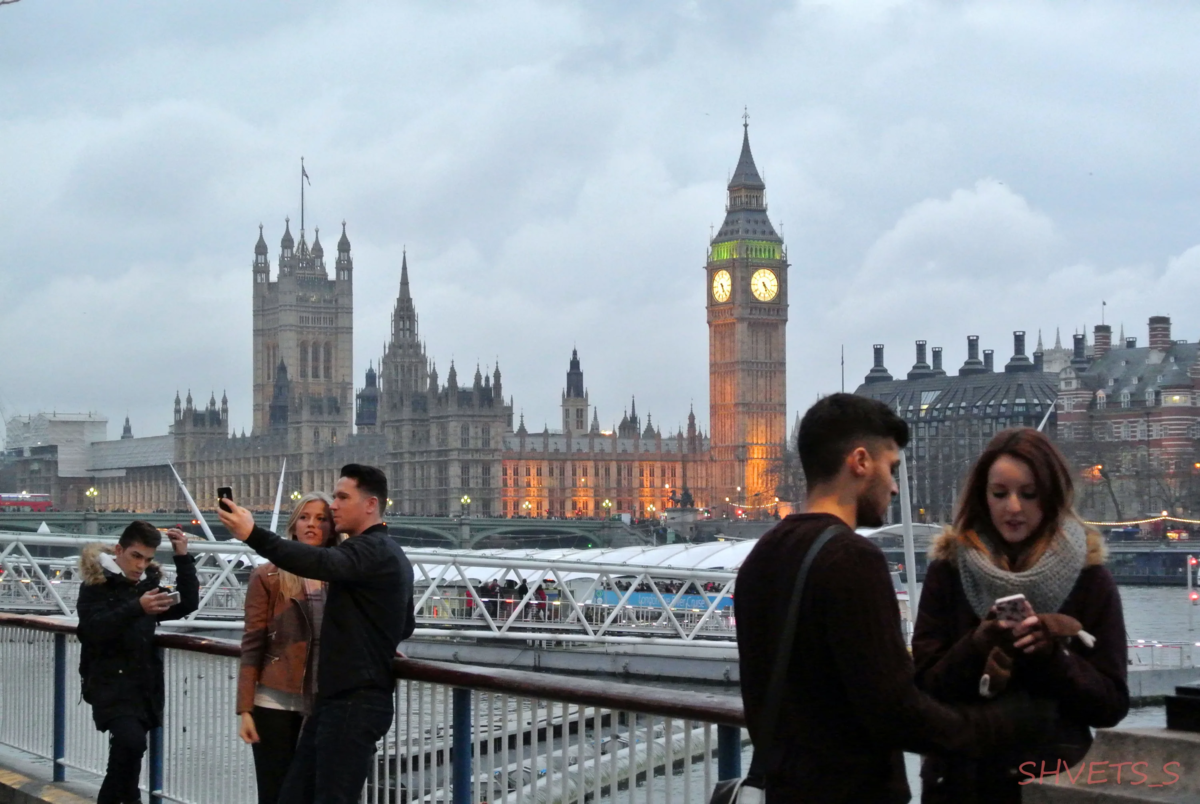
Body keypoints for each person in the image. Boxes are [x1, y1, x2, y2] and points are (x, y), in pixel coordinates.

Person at [735, 393, 1053, 804]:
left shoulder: (762, 556)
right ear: (860, 462)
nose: (894, 486)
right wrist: (999, 724)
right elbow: (894, 709)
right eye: (892, 468)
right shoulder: (851, 558)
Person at [913, 428, 1128, 803]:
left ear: (1052, 496)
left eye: (1029, 494)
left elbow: (1111, 704)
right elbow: (924, 688)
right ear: (982, 496)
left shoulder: (1089, 577)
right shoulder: (948, 570)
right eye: (1000, 494)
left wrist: (1051, 658)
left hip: (1052, 785)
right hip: (963, 784)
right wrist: (978, 645)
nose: (1013, 507)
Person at [218, 464, 414, 804]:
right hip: (334, 701)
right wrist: (374, 639)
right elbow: (406, 623)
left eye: (341, 497)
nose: (334, 505)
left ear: (370, 504)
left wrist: (253, 534)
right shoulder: (387, 554)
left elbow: (319, 564)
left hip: (354, 703)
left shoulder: (371, 551)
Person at [77, 521, 198, 804]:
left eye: (147, 559)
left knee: (126, 759)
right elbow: (92, 630)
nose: (141, 565)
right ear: (119, 549)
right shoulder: (96, 584)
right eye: (135, 556)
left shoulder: (148, 586)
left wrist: (182, 558)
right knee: (130, 744)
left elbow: (187, 603)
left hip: (142, 686)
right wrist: (136, 608)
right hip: (108, 683)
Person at [237, 492, 338, 804]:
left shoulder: (342, 575)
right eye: (305, 517)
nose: (312, 525)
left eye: (322, 519)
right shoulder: (267, 576)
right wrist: (245, 708)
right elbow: (252, 641)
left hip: (325, 700)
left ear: (332, 529)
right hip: (275, 701)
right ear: (293, 526)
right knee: (276, 792)